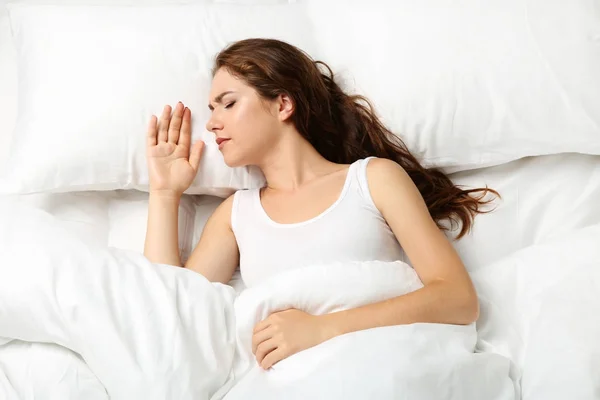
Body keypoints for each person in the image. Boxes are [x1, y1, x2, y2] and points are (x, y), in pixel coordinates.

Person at [143, 38, 498, 371]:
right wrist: (163, 194)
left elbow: (457, 298)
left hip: (384, 364)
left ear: (283, 104)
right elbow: (172, 316)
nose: (213, 123)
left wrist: (321, 330)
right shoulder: (236, 215)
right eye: (211, 108)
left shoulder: (373, 179)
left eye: (229, 103)